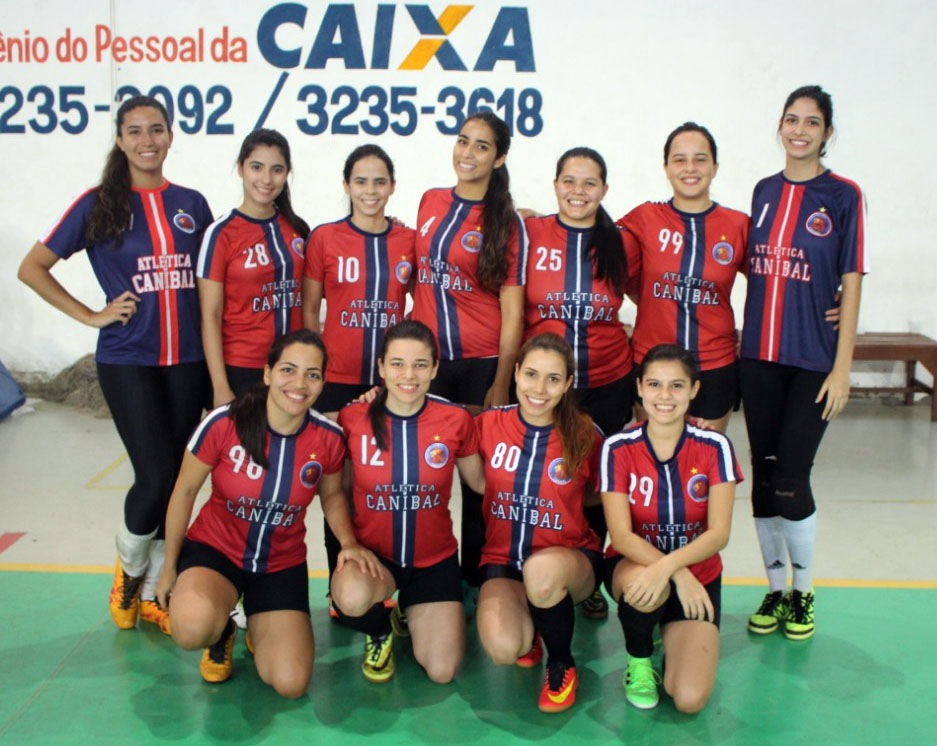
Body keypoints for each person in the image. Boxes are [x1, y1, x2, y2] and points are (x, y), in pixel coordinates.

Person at [18, 95, 212, 635]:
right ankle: (129, 574)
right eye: (135, 131)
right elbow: (32, 267)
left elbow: (210, 283)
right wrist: (90, 314)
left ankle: (154, 591)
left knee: (176, 479)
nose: (147, 140)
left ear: (171, 136)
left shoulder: (193, 204)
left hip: (188, 362)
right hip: (129, 360)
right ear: (121, 140)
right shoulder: (97, 205)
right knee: (152, 477)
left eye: (157, 129)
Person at [155, 329, 381, 697]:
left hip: (279, 562)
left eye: (312, 374)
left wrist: (349, 543)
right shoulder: (224, 423)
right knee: (191, 629)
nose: (299, 383)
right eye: (288, 370)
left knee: (290, 683)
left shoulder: (328, 438)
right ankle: (222, 627)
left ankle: (258, 624)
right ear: (268, 373)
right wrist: (169, 568)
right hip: (217, 551)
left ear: (323, 383)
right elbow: (184, 491)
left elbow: (333, 496)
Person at [741, 85, 867, 641]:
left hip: (814, 360)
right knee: (764, 478)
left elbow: (851, 278)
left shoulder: (843, 195)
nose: (799, 130)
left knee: (793, 475)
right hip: (758, 359)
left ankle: (804, 591)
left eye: (811, 122)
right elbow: (760, 267)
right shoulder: (764, 191)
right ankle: (773, 588)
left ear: (827, 133)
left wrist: (844, 367)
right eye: (791, 119)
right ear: (780, 124)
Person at [410, 111, 528, 592]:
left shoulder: (507, 222)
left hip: (481, 366)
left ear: (498, 158)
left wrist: (502, 380)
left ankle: (481, 581)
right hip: (430, 367)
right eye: (463, 141)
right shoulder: (429, 201)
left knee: (479, 482)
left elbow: (513, 311)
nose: (468, 153)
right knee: (426, 475)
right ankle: (429, 576)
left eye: (482, 146)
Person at [331, 320, 485, 684]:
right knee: (351, 597)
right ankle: (380, 629)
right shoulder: (353, 418)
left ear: (434, 369)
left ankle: (408, 608)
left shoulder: (456, 419)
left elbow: (479, 482)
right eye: (397, 363)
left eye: (420, 364)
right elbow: (338, 489)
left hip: (434, 561)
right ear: (381, 367)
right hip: (374, 559)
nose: (408, 375)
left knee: (443, 670)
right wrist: (349, 545)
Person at [523, 146, 636, 617]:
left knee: (596, 481)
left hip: (608, 380)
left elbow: (661, 293)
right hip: (547, 387)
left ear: (604, 191)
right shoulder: (529, 234)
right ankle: (539, 570)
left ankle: (587, 574)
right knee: (547, 482)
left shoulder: (623, 243)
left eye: (589, 183)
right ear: (554, 186)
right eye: (569, 181)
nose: (578, 191)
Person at [600, 344, 741, 713]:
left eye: (677, 386)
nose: (665, 396)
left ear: (694, 390)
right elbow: (621, 536)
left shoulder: (716, 446)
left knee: (689, 699)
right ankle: (640, 661)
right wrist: (675, 572)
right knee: (645, 586)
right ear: (640, 388)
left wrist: (674, 569)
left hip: (700, 576)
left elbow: (719, 533)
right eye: (655, 385)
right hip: (635, 566)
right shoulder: (617, 447)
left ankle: (669, 637)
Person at [302, 144, 416, 583]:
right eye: (361, 181)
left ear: (392, 186)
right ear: (346, 185)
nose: (370, 191)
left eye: (380, 181)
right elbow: (310, 310)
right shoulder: (325, 238)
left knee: (388, 487)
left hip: (392, 383)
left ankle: (392, 581)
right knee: (341, 488)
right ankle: (342, 581)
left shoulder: (408, 240)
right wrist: (316, 374)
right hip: (338, 382)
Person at [475, 333, 603, 713]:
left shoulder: (584, 434)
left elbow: (603, 492)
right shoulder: (486, 424)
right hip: (504, 560)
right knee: (503, 649)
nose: (539, 388)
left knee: (542, 571)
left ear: (567, 384)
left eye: (552, 378)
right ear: (515, 374)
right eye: (531, 374)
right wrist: (374, 400)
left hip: (566, 563)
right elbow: (426, 421)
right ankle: (532, 624)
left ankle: (561, 661)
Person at [617, 123, 749, 433]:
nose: (690, 168)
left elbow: (772, 277)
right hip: (653, 363)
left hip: (714, 366)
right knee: (652, 463)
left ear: (715, 167)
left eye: (700, 159)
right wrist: (535, 218)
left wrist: (831, 295)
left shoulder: (738, 225)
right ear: (666, 167)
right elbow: (590, 238)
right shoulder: (644, 217)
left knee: (702, 468)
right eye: (679, 159)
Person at [197, 129, 310, 406]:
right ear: (241, 168)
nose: (266, 179)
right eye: (256, 167)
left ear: (287, 174)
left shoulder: (297, 229)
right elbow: (210, 316)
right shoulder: (221, 234)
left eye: (277, 169)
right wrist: (220, 385)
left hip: (293, 368)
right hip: (242, 368)